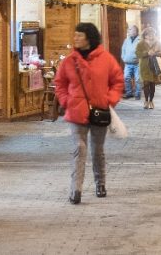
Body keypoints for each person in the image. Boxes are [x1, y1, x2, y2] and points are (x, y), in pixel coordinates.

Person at [54, 22, 123, 204]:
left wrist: (110, 100)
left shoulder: (106, 59)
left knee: (97, 150)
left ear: (89, 38)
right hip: (76, 112)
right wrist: (66, 101)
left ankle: (100, 183)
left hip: (99, 110)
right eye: (75, 35)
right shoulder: (69, 61)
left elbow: (117, 81)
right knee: (80, 148)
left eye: (79, 35)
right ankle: (75, 189)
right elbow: (60, 83)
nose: (75, 38)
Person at [136, 27, 161, 109]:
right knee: (145, 83)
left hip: (154, 66)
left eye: (152, 34)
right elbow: (137, 54)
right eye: (148, 34)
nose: (151, 36)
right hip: (144, 66)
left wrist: (156, 53)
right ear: (145, 35)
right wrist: (147, 53)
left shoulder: (158, 43)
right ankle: (146, 101)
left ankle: (151, 101)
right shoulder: (140, 44)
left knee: (152, 84)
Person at [120, 24, 141, 99]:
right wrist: (124, 58)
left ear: (135, 31)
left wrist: (140, 58)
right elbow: (123, 50)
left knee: (138, 79)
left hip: (137, 64)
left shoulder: (140, 40)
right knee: (126, 77)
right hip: (128, 63)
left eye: (131, 29)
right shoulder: (126, 40)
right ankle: (129, 93)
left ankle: (137, 94)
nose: (129, 31)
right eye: (129, 30)